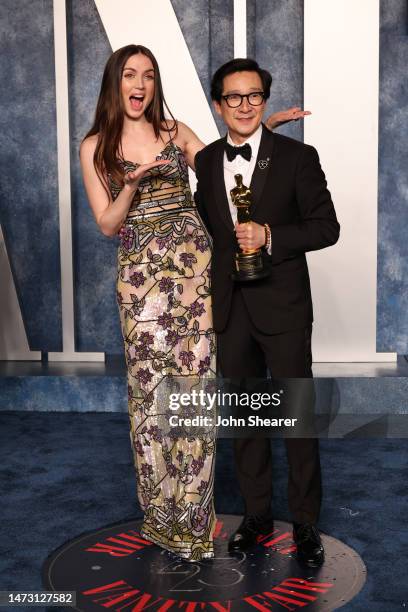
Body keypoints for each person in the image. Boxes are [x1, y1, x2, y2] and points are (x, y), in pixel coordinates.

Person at [80, 44, 311, 562]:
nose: (140, 84)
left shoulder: (174, 130)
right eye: (130, 75)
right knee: (151, 398)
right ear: (116, 83)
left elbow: (224, 169)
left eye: (149, 75)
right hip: (142, 282)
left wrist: (264, 129)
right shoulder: (95, 145)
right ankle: (162, 517)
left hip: (194, 276)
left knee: (196, 393)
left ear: (155, 84)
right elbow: (107, 224)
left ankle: (194, 516)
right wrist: (132, 186)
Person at [194, 58, 340, 568]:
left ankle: (304, 522)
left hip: (284, 307)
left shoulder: (300, 157)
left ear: (264, 99)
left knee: (297, 416)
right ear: (218, 105)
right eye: (233, 97)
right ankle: (256, 515)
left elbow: (326, 228)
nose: (244, 105)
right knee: (246, 416)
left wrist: (272, 236)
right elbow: (206, 228)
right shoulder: (209, 161)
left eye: (253, 96)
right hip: (230, 308)